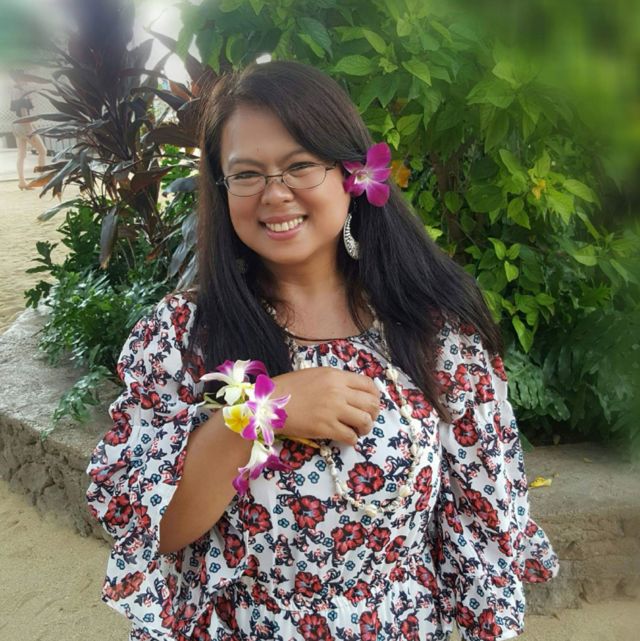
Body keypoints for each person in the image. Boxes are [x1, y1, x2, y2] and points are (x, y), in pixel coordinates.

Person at [86, 60, 559, 641]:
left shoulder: (434, 332)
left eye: (300, 165)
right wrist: (256, 413)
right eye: (247, 174)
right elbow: (160, 531)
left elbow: (486, 517)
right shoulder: (183, 338)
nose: (275, 193)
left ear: (352, 174)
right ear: (222, 188)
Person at [9, 70, 47, 190]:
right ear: (20, 78)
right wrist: (31, 128)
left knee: (21, 155)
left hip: (17, 126)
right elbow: (24, 112)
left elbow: (18, 111)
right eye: (25, 78)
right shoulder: (20, 92)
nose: (27, 80)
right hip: (25, 125)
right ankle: (41, 180)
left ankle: (22, 182)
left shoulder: (14, 90)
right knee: (43, 151)